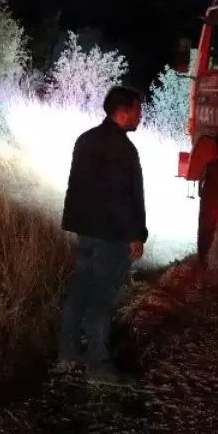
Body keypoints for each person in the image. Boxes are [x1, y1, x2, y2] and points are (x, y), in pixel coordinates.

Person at [56, 85, 148, 384]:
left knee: (80, 291)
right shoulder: (123, 149)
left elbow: (75, 187)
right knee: (103, 297)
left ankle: (67, 355)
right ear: (124, 112)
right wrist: (136, 235)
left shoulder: (85, 140)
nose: (140, 116)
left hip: (86, 231)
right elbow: (126, 198)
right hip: (111, 234)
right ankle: (99, 366)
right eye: (138, 110)